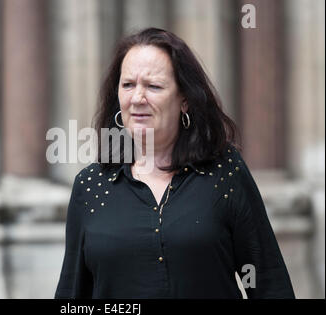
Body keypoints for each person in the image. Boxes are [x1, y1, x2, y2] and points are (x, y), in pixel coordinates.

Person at [54, 28, 295, 299]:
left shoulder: (225, 172)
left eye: (154, 86)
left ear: (185, 100)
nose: (137, 99)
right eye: (128, 85)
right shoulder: (91, 186)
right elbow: (73, 296)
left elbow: (268, 284)